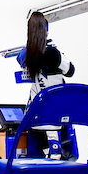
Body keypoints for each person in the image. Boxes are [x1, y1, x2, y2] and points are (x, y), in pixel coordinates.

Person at [16, 11, 76, 161]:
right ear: (46, 30)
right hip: (55, 115)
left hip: (33, 115)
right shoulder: (53, 53)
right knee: (56, 159)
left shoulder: (24, 55)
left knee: (36, 160)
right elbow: (70, 70)